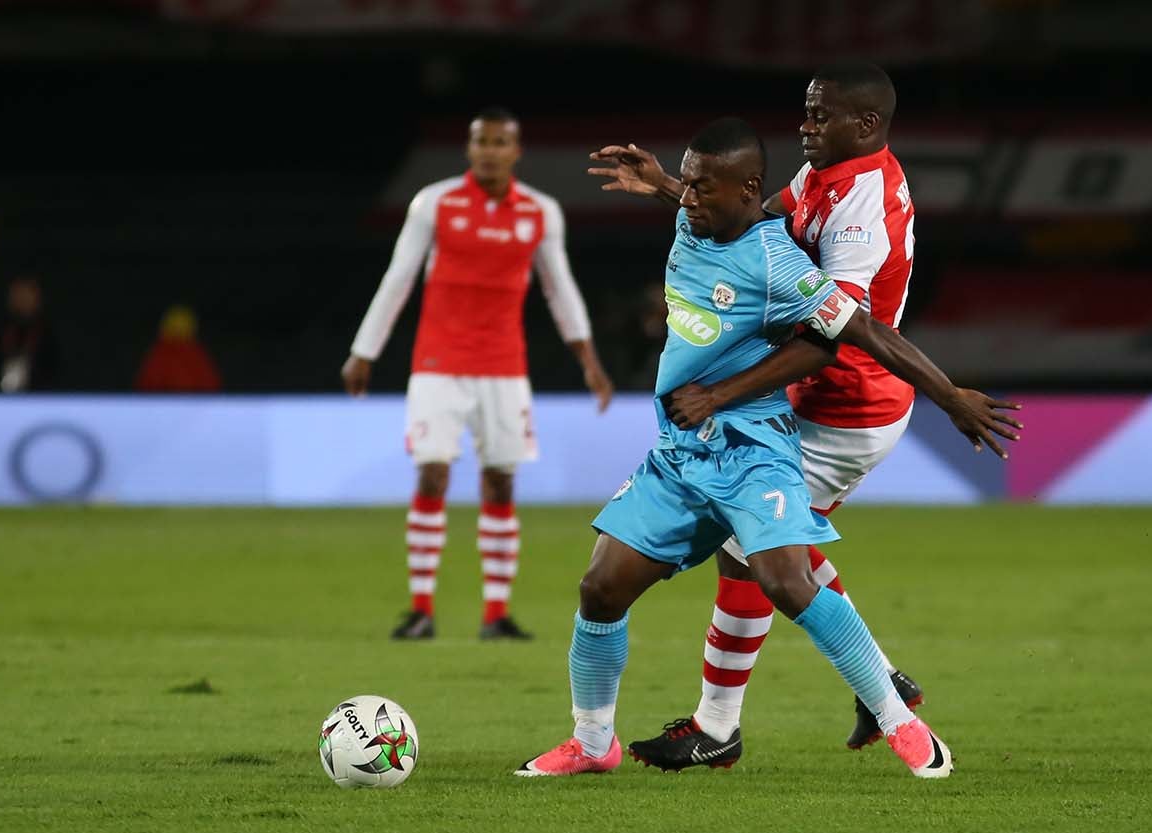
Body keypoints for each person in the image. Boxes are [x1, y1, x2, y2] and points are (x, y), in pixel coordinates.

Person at [517, 117, 1014, 779]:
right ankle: (592, 742)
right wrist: (662, 183)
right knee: (600, 588)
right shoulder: (691, 218)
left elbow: (851, 334)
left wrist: (948, 396)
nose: (688, 198)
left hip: (752, 450)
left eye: (702, 187)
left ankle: (900, 720)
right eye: (686, 184)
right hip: (680, 452)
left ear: (748, 188)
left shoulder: (780, 263)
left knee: (784, 580)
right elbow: (699, 205)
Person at [343, 106, 614, 642]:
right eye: (481, 141)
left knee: (500, 480)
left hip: (504, 368)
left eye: (499, 142)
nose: (489, 151)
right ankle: (421, 609)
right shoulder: (434, 203)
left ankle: (496, 614)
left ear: (516, 151)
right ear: (469, 149)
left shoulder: (539, 211)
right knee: (432, 473)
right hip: (438, 365)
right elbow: (398, 278)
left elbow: (560, 290)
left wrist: (590, 363)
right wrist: (363, 351)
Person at [135, 305, 222, 393]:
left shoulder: (197, 354)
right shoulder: (159, 354)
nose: (179, 331)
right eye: (175, 327)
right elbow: (147, 385)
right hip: (165, 400)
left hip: (193, 400)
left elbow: (210, 384)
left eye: (182, 327)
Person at [0, 275, 59, 392]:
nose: (22, 299)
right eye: (18, 294)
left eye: (27, 294)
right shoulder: (0, 329)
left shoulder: (49, 331)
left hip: (43, 395)